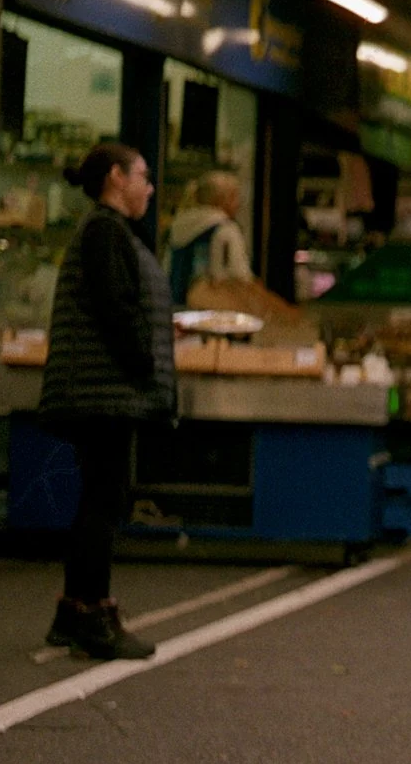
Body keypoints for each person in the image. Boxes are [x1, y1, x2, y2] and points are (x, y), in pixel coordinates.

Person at [37, 141, 174, 662]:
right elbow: (116, 308)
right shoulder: (104, 232)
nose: (149, 187)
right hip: (105, 392)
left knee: (98, 498)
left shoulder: (108, 232)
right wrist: (143, 362)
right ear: (117, 177)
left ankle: (75, 611)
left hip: (100, 389)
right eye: (142, 175)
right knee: (103, 502)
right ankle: (93, 615)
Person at [163, 170, 252, 306]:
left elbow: (166, 268)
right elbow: (240, 276)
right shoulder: (226, 229)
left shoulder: (178, 225)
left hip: (176, 308)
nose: (239, 204)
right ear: (224, 199)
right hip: (212, 315)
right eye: (235, 197)